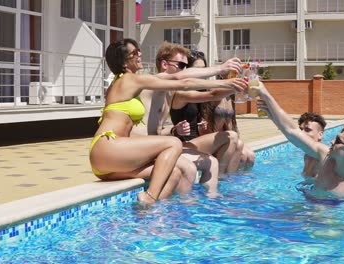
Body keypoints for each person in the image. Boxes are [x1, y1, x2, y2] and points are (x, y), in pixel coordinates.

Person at [90, 38, 246, 206]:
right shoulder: (129, 80)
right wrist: (222, 72)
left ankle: (157, 218)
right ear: (124, 62)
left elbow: (184, 79)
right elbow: (183, 80)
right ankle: (150, 196)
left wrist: (230, 84)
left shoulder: (130, 83)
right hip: (108, 148)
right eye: (134, 53)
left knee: (175, 173)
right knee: (173, 143)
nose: (140, 54)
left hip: (111, 161)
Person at [254, 82, 344, 199]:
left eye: (338, 141)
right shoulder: (324, 154)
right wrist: (265, 93)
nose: (332, 141)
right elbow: (292, 131)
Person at [298, 112, 326, 182]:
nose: (301, 133)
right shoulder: (307, 155)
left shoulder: (324, 156)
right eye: (301, 129)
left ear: (320, 135)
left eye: (307, 130)